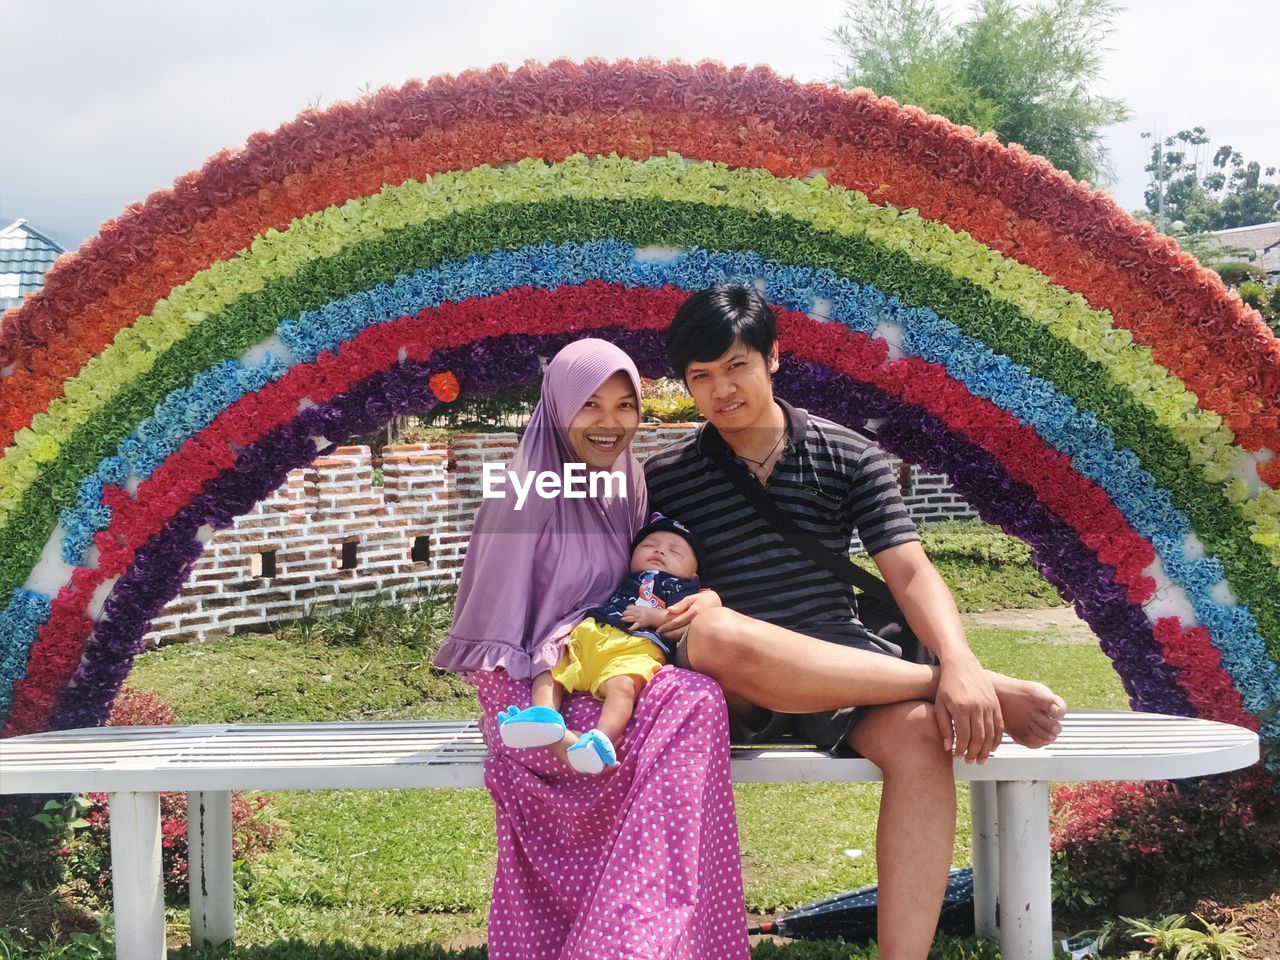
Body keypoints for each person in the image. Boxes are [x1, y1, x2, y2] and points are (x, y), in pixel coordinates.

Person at [643, 284, 1068, 960]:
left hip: (842, 669)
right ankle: (945, 682)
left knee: (925, 738)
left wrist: (955, 655)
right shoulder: (664, 477)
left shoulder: (848, 455)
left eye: (736, 366)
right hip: (737, 687)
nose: (722, 389)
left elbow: (909, 571)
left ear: (773, 357)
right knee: (714, 630)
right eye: (701, 376)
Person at [432, 338, 751, 959]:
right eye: (590, 406)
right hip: (532, 699)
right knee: (694, 704)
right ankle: (643, 940)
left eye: (625, 405)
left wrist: (700, 603)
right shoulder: (521, 496)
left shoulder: (624, 486)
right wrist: (544, 686)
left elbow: (642, 588)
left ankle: (647, 934)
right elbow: (491, 640)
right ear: (556, 408)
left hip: (604, 676)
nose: (610, 424)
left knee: (696, 702)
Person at [496, 512, 706, 774]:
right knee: (550, 663)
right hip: (591, 634)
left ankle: (599, 741)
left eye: (675, 551)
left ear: (694, 573)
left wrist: (656, 616)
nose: (660, 551)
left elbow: (687, 621)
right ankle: (544, 714)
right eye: (649, 545)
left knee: (623, 686)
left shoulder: (685, 590)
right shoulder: (623, 577)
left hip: (634, 647)